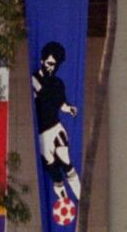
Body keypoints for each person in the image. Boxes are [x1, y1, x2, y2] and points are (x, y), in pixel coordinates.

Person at [31, 41, 81, 205]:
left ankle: (81, 199)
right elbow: (39, 91)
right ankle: (64, 202)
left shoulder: (57, 83)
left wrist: (69, 108)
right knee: (55, 174)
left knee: (66, 162)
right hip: (41, 135)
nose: (52, 67)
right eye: (50, 63)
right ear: (42, 61)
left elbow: (61, 103)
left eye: (55, 65)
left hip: (55, 129)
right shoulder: (34, 80)